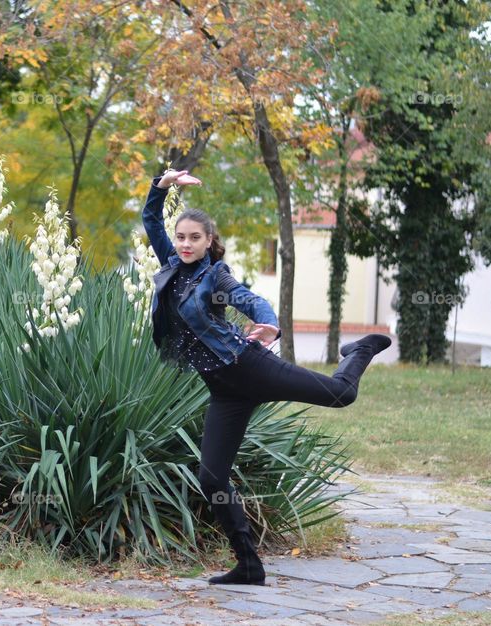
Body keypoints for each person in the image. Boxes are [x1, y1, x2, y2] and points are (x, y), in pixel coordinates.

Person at [142, 168, 392, 586]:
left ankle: (360, 349)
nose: (185, 244)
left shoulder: (214, 277)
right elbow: (152, 221)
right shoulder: (171, 266)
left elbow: (250, 299)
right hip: (224, 390)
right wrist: (160, 186)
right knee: (212, 477)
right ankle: (249, 565)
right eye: (181, 237)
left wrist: (270, 324)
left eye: (194, 239)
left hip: (251, 368)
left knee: (341, 394)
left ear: (209, 242)